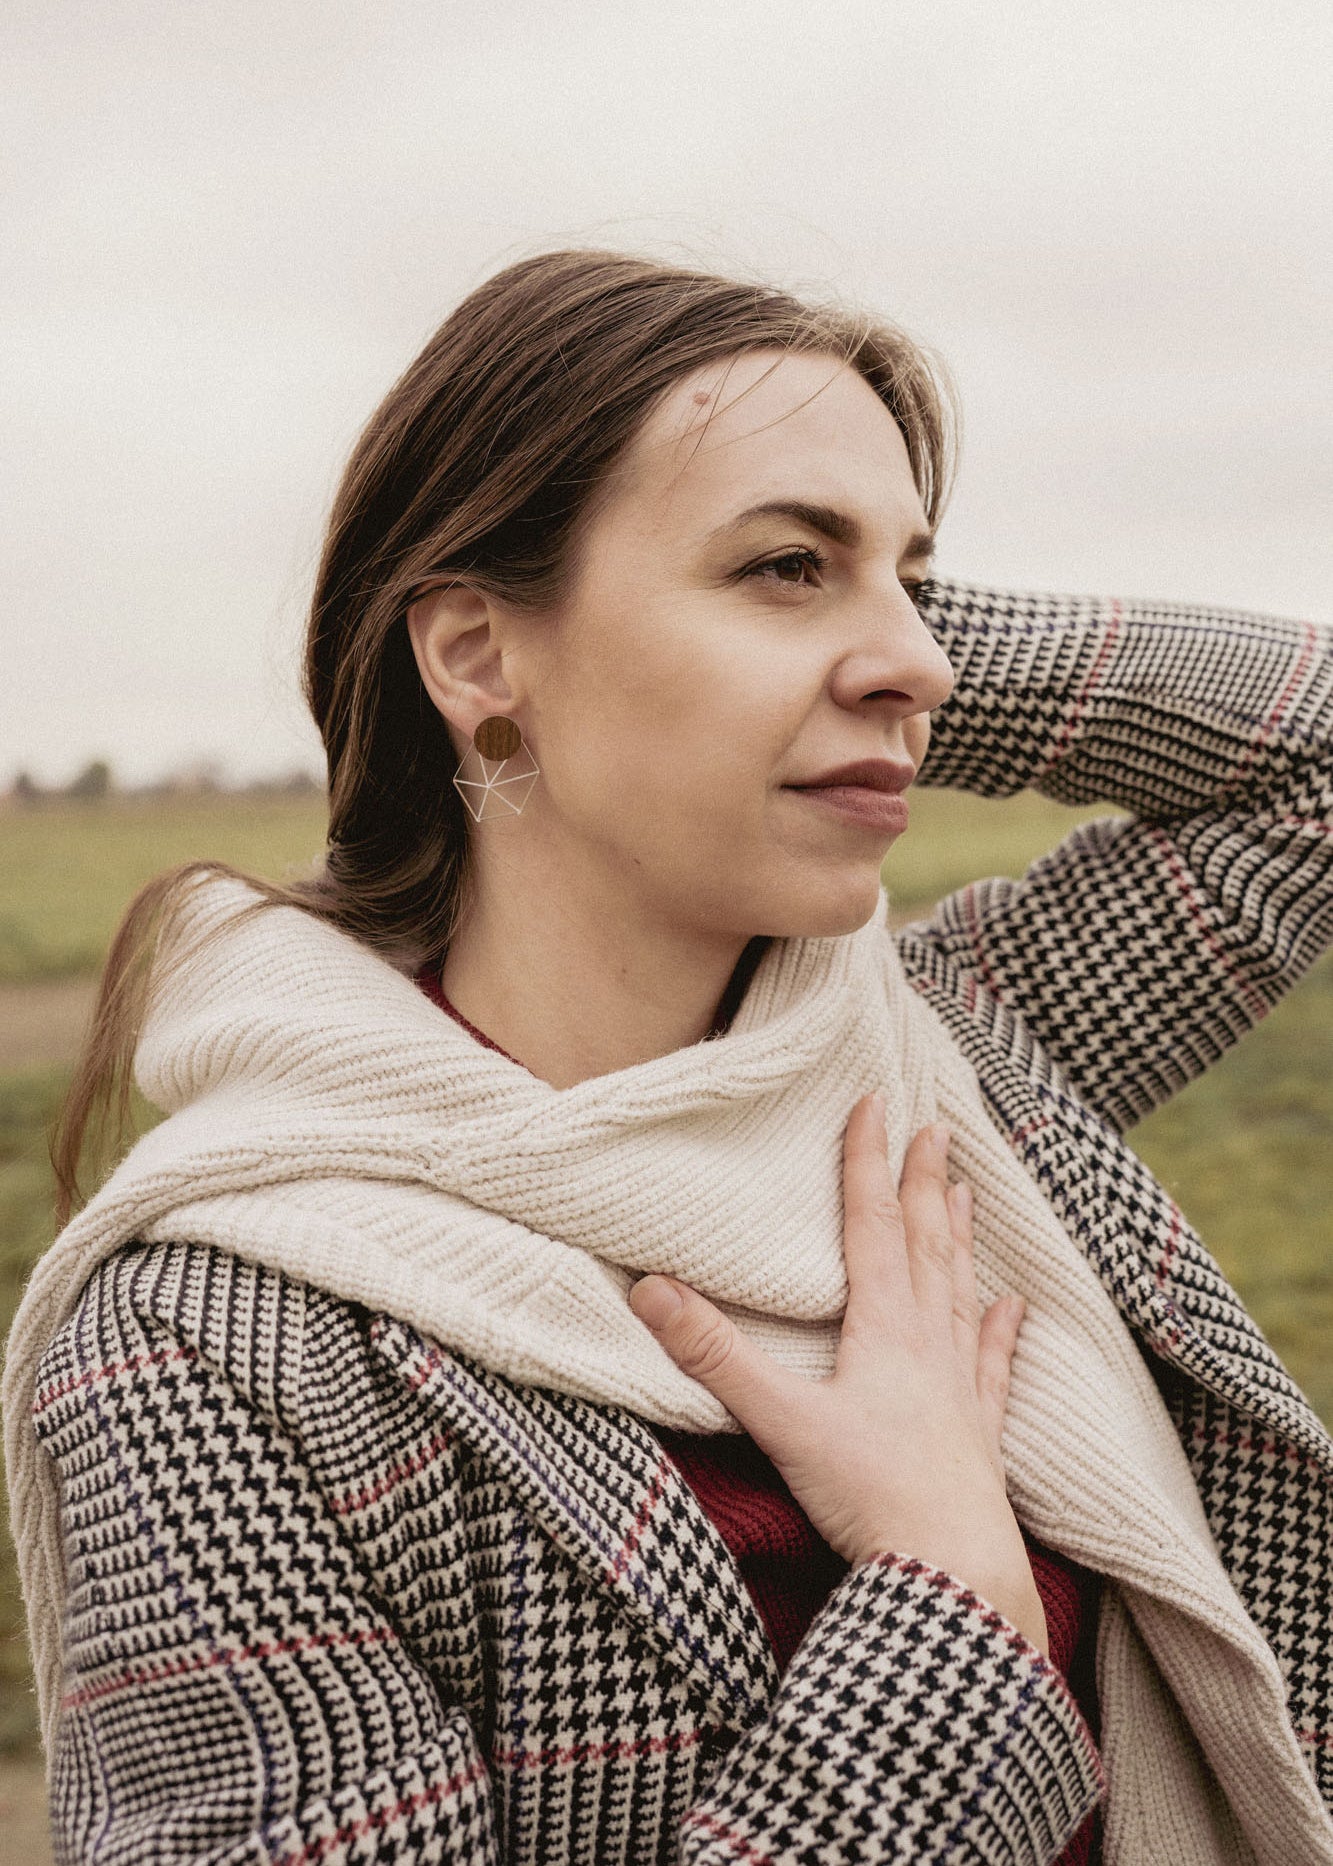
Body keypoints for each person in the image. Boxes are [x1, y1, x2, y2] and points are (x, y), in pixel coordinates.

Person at [5, 247, 1332, 1866]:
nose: (912, 656)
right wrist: (944, 1604)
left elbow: (1312, 759)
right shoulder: (219, 1350)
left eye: (911, 579)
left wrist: (861, 625)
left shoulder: (945, 1058)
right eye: (782, 566)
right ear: (478, 656)